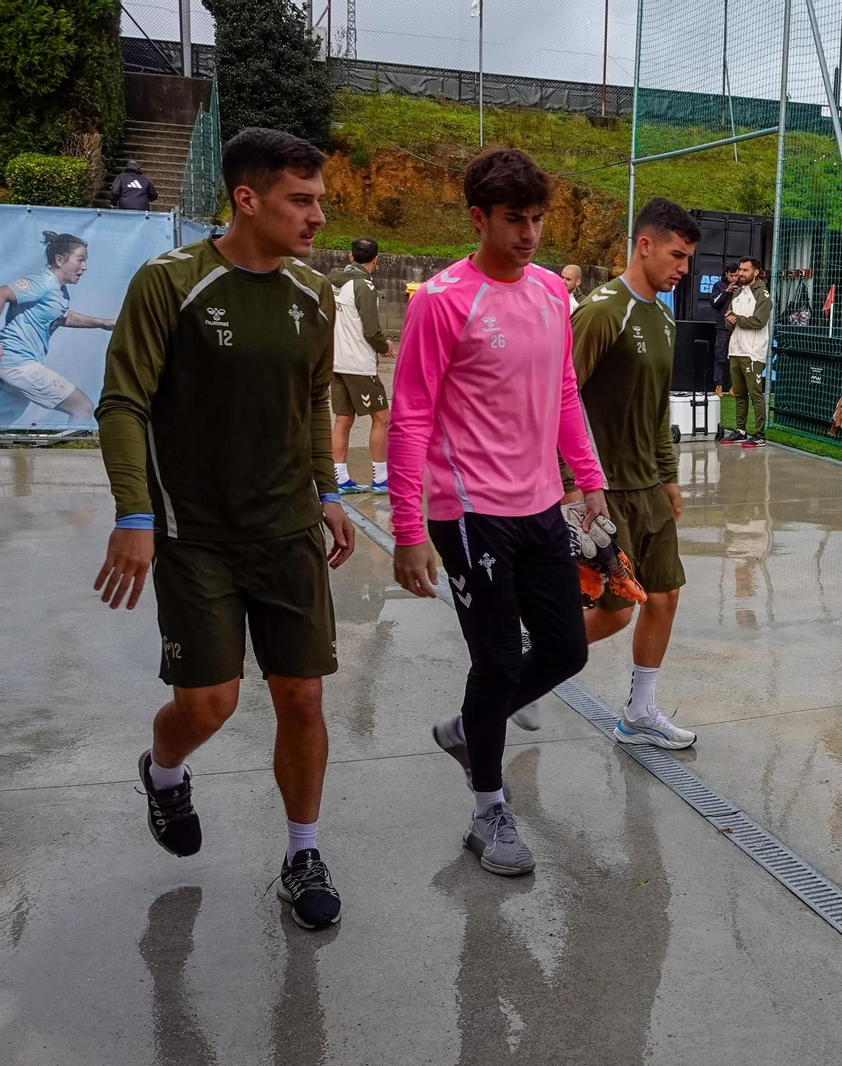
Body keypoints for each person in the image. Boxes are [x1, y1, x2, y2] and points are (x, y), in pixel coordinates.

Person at [93, 127, 355, 930]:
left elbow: (313, 398)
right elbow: (124, 402)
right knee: (209, 704)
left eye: (319, 200)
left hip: (288, 530)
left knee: (302, 698)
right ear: (247, 198)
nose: (316, 216)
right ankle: (164, 772)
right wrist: (135, 514)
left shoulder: (314, 294)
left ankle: (303, 852)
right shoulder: (170, 283)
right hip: (194, 533)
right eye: (299, 200)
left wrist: (328, 491)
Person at [389, 148, 608, 877]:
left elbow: (565, 389)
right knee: (497, 661)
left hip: (541, 503)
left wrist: (589, 477)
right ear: (478, 218)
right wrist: (408, 529)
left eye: (538, 219)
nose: (530, 234)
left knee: (567, 650)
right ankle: (489, 810)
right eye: (515, 219)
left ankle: (466, 730)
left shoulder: (551, 292)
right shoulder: (442, 300)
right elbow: (410, 417)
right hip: (469, 511)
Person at [554, 197, 700, 749]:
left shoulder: (663, 317)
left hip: (649, 486)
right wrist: (571, 485)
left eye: (688, 259)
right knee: (614, 614)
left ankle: (640, 713)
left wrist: (669, 475)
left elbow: (657, 408)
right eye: (676, 255)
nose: (683, 268)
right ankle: (526, 665)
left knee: (665, 595)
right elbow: (558, 397)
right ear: (644, 245)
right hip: (603, 491)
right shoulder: (601, 311)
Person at [0, 232, 116, 427]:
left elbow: (63, 317)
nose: (85, 267)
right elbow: (2, 293)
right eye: (80, 260)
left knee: (4, 421)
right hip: (17, 364)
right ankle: (70, 446)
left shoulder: (60, 292)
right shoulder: (42, 283)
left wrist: (103, 323)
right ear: (60, 260)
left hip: (16, 365)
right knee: (82, 407)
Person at [328, 237, 392, 494]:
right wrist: (384, 346)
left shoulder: (334, 282)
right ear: (375, 259)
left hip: (336, 360)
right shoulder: (364, 286)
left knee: (343, 419)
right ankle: (381, 478)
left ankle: (340, 478)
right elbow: (372, 329)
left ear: (350, 256)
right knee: (382, 418)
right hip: (359, 364)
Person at [722, 256, 771, 446]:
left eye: (745, 270)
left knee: (755, 394)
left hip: (753, 352)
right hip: (735, 349)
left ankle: (760, 435)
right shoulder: (737, 293)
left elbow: (759, 321)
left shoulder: (762, 294)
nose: (741, 273)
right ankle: (740, 430)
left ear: (755, 272)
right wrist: (730, 320)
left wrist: (737, 319)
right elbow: (728, 319)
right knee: (739, 394)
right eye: (740, 270)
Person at [708, 263, 739, 397]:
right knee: (720, 357)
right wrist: (726, 292)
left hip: (738, 327)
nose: (734, 278)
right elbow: (714, 303)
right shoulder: (718, 286)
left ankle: (733, 387)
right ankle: (718, 386)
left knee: (735, 358)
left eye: (736, 275)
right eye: (731, 275)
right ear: (726, 274)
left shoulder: (743, 287)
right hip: (722, 327)